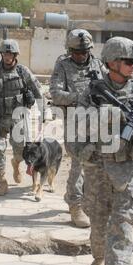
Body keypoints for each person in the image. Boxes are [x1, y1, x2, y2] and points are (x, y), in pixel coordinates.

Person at [75, 36, 133, 265]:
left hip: (128, 166)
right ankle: (100, 257)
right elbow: (77, 126)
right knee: (98, 215)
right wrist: (111, 118)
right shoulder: (93, 92)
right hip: (99, 165)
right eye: (128, 61)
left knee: (125, 216)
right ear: (112, 63)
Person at [0, 39, 43, 196]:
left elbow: (38, 92)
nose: (7, 56)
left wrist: (43, 113)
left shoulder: (23, 72)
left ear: (15, 55)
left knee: (21, 152)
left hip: (18, 119)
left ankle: (16, 164)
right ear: (1, 54)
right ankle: (2, 181)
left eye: (10, 53)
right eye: (5, 53)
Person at [50, 29, 105, 228]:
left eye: (84, 52)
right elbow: (55, 94)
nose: (80, 56)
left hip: (96, 122)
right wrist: (80, 98)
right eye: (76, 52)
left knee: (95, 164)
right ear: (70, 50)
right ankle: (75, 205)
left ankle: (82, 198)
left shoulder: (98, 65)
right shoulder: (63, 65)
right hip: (74, 121)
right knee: (78, 163)